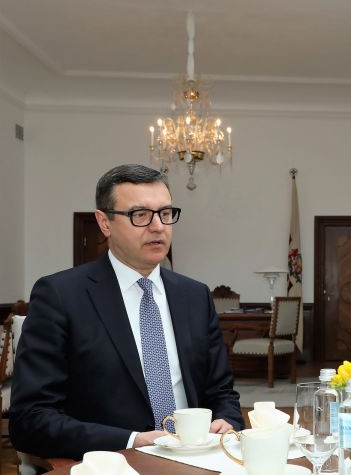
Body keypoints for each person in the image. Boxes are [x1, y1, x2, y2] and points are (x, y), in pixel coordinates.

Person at [10, 164, 244, 460]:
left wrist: (226, 420)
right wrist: (132, 441)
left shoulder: (195, 296)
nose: (158, 226)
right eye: (140, 215)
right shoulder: (60, 296)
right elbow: (30, 420)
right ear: (104, 222)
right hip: (111, 462)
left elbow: (223, 394)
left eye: (165, 213)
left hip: (198, 459)